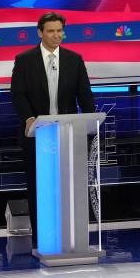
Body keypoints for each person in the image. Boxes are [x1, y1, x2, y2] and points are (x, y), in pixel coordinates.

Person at [11, 12, 95, 247]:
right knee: (39, 189)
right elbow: (17, 94)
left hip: (68, 136)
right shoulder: (24, 60)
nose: (56, 35)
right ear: (40, 32)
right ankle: (43, 242)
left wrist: (89, 122)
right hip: (36, 137)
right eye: (50, 31)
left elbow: (85, 96)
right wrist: (29, 118)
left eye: (59, 31)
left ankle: (72, 239)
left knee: (69, 187)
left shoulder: (74, 59)